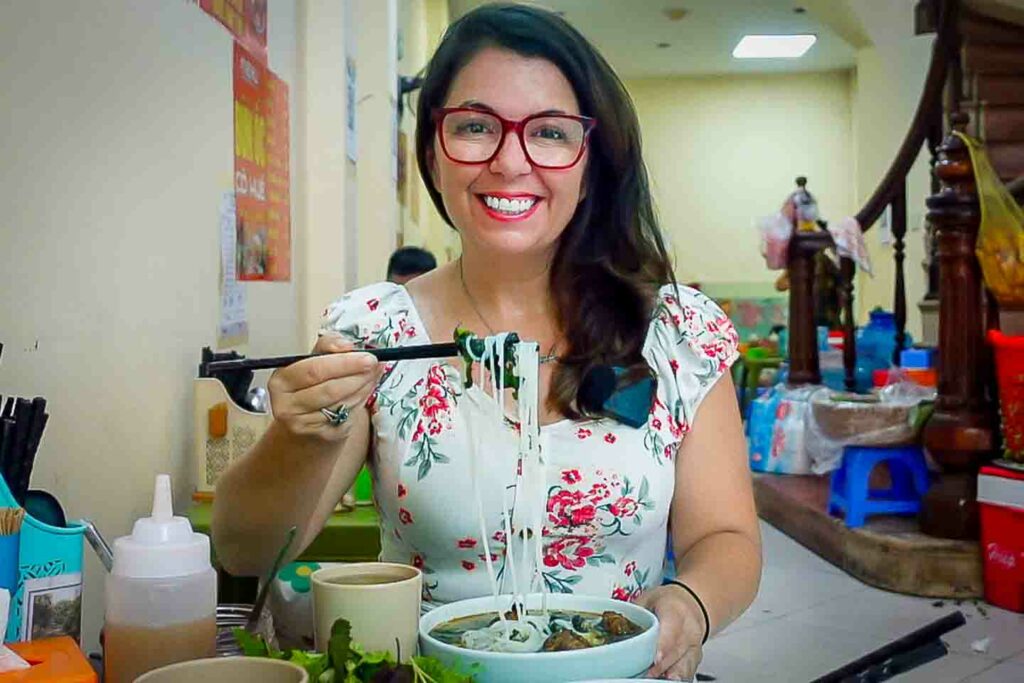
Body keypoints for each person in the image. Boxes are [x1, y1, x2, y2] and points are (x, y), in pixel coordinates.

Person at [213, 4, 761, 679]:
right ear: (432, 152)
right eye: (474, 127)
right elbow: (243, 550)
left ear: (592, 159)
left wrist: (689, 604)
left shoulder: (676, 332)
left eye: (550, 133)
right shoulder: (375, 332)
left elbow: (726, 537)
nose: (509, 161)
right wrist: (297, 437)